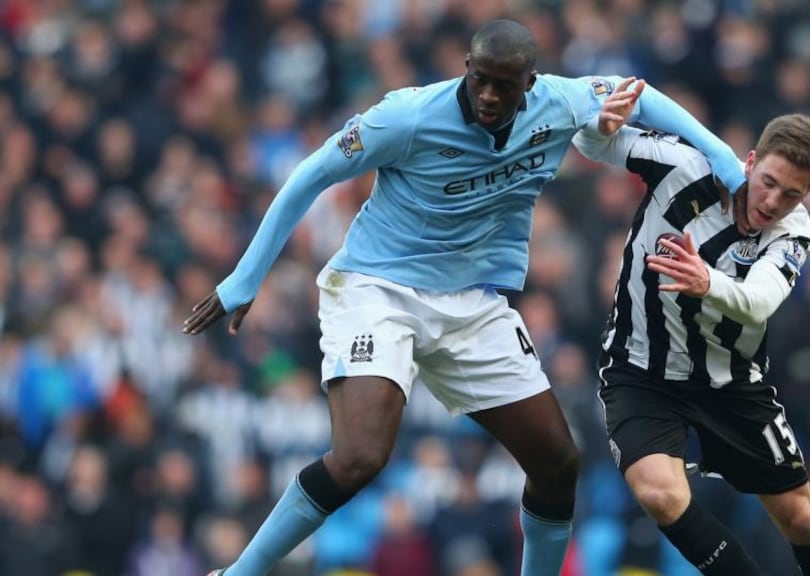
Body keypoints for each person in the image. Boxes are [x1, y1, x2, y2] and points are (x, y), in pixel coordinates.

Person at [182, 19, 746, 576]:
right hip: (379, 290)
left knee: (557, 464)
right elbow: (311, 174)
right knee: (360, 457)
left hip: (473, 303)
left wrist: (725, 163)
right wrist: (243, 280)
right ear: (467, 69)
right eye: (480, 80)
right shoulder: (405, 117)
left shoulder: (559, 101)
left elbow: (641, 97)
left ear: (530, 82)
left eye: (504, 84)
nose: (489, 96)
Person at [573, 83, 810, 574]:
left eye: (792, 194)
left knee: (802, 519)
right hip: (641, 370)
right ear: (750, 159)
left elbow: (759, 303)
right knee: (659, 492)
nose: (771, 201)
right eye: (768, 181)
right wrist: (602, 125)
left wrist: (707, 282)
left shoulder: (794, 231)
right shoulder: (684, 163)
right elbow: (592, 145)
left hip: (730, 382)